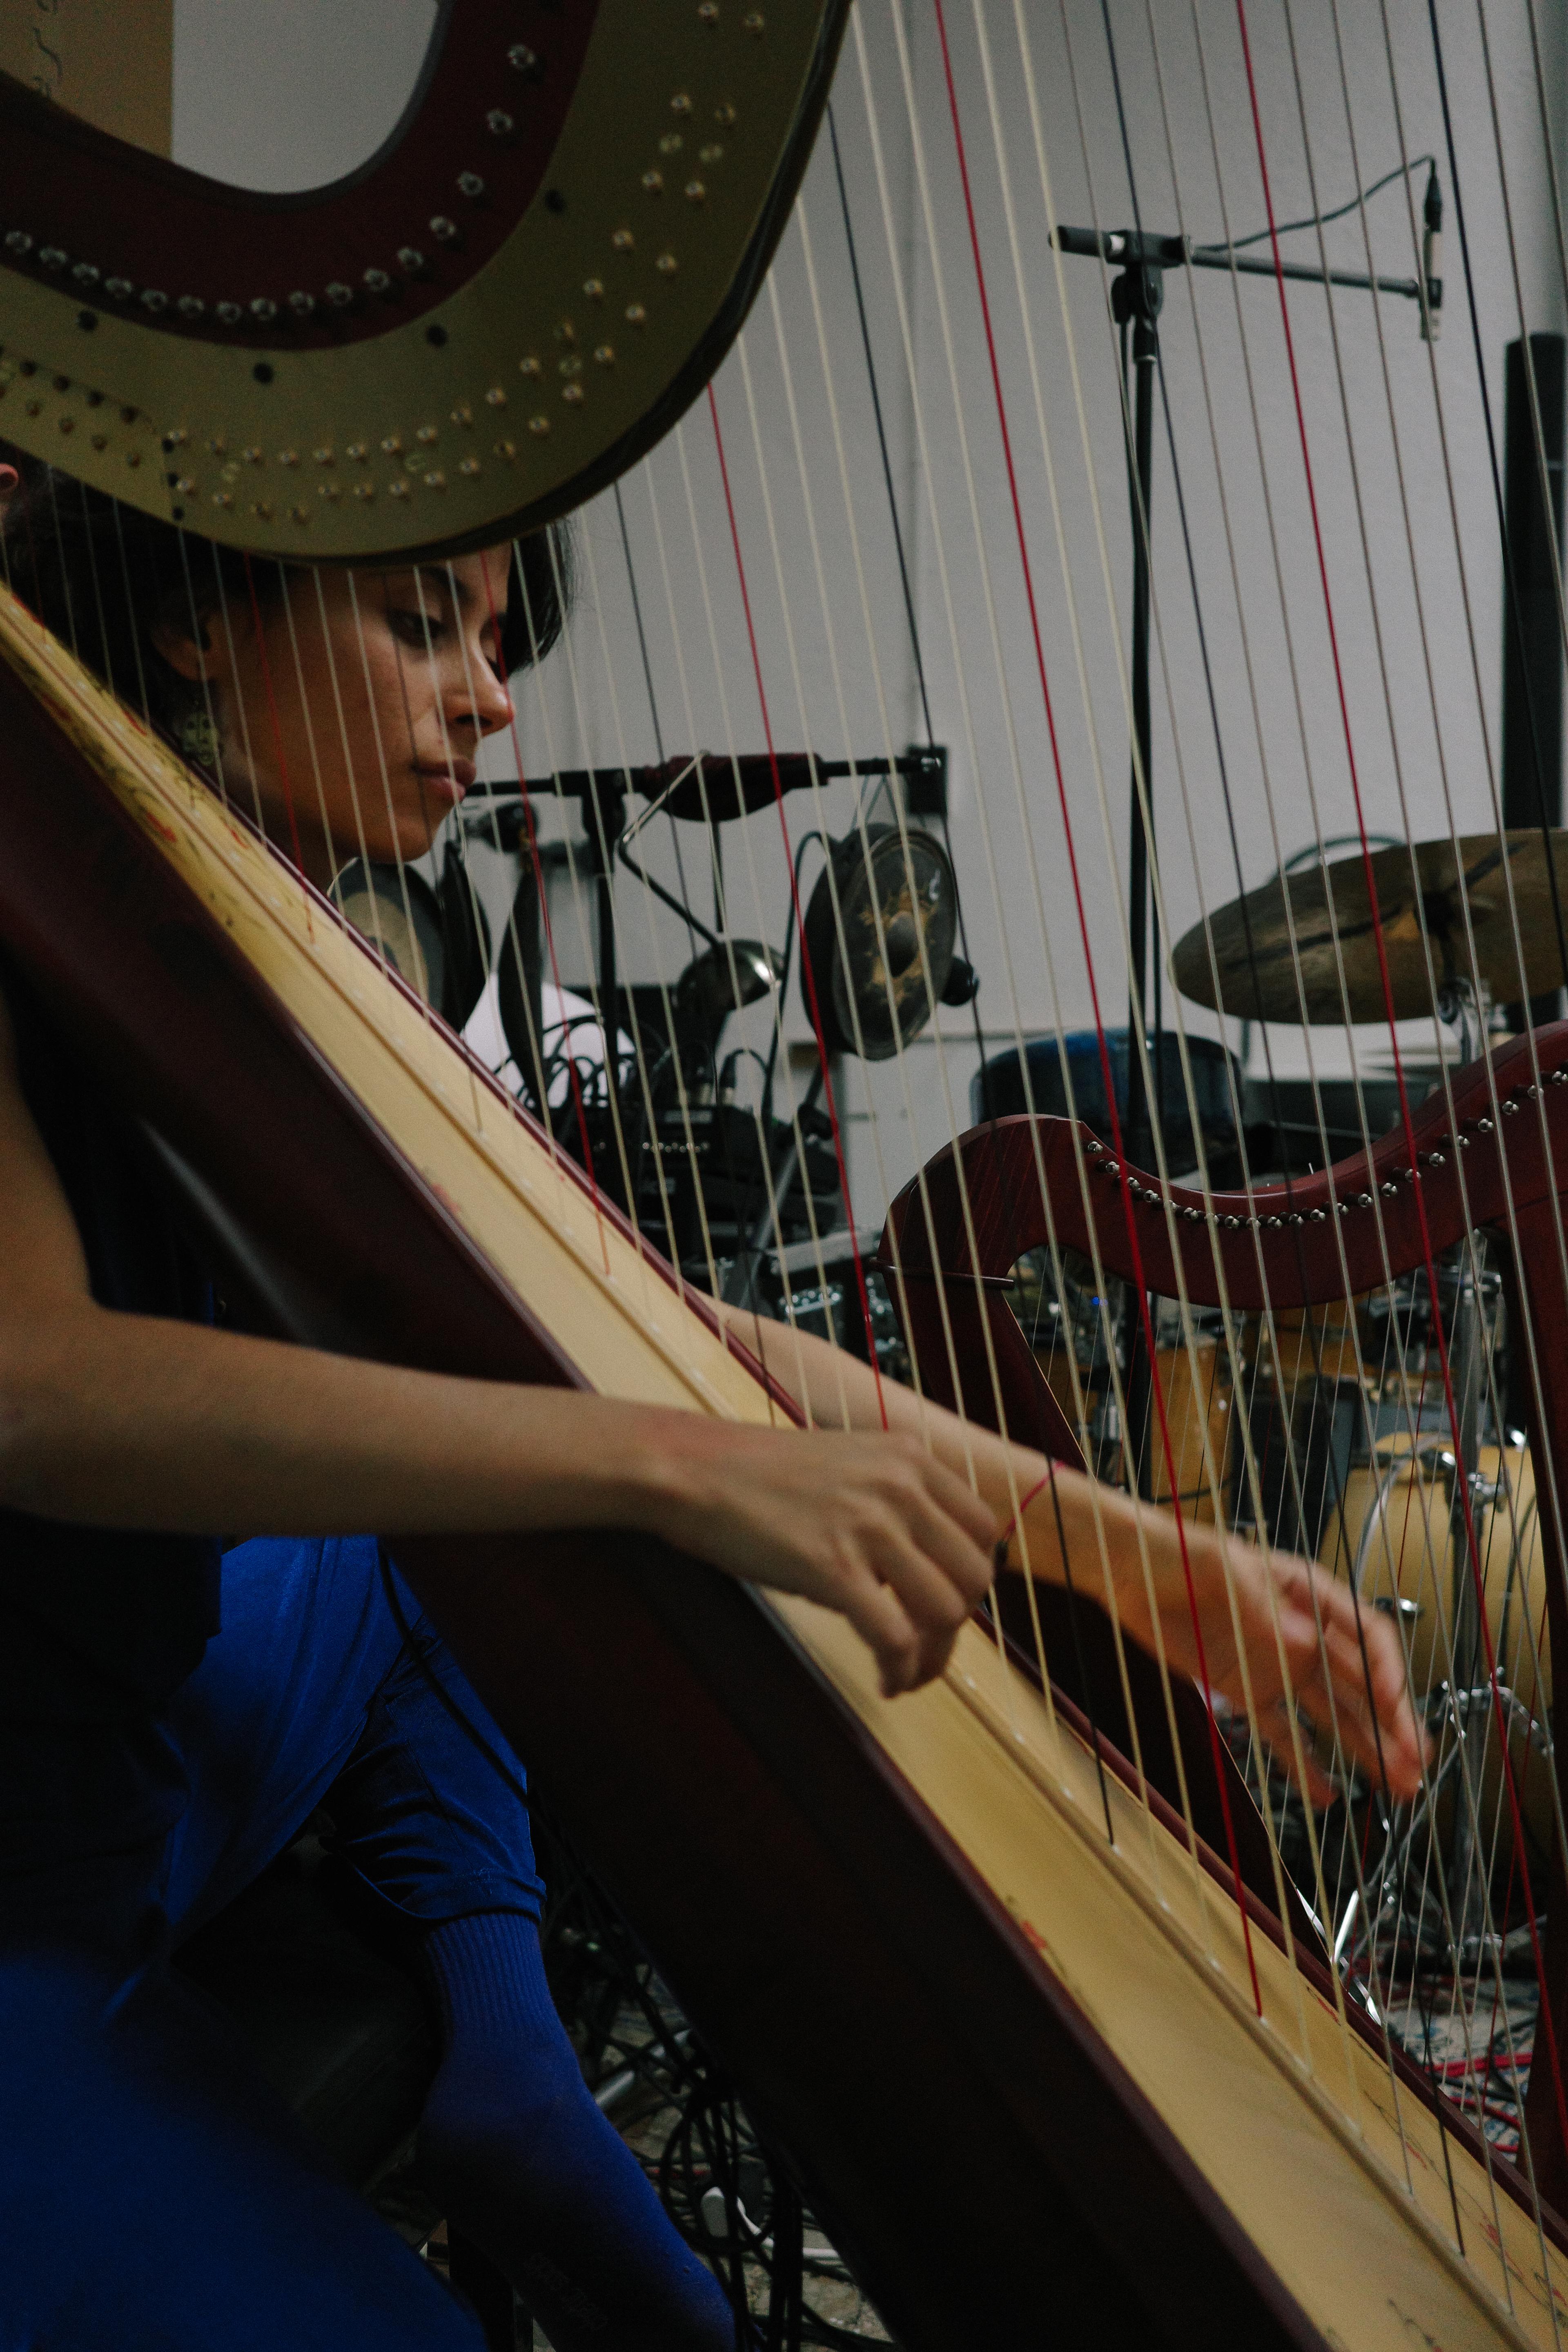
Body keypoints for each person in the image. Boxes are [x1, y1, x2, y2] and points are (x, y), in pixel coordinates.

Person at [0, 477, 1426, 2352]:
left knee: (447, 1506)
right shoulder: (34, 870)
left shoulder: (287, 935)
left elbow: (668, 1330)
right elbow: (36, 1387)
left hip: (130, 1792)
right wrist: (681, 1469)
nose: (490, 697)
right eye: (423, 626)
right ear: (193, 613)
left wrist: (1124, 1552)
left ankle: (512, 2060)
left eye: (494, 641)